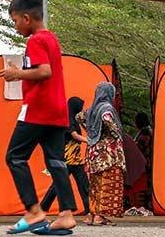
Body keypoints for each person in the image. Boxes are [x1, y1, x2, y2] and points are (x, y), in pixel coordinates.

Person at [0, 0, 77, 236]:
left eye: (15, 21)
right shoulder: (51, 38)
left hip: (37, 109)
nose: (16, 26)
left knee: (15, 157)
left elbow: (44, 71)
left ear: (27, 18)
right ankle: (66, 214)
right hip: (56, 110)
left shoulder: (36, 40)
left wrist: (16, 73)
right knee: (56, 161)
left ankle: (34, 211)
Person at [78, 82, 126, 226]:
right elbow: (107, 119)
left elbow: (79, 117)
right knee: (108, 182)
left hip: (94, 152)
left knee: (95, 184)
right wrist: (115, 133)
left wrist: (91, 132)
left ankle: (91, 214)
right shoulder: (106, 108)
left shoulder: (92, 109)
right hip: (108, 153)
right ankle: (100, 216)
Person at [40, 96, 89, 217]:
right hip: (67, 158)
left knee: (84, 185)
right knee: (57, 184)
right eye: (80, 106)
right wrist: (89, 140)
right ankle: (42, 209)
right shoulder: (67, 120)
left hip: (76, 159)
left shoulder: (74, 119)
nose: (81, 109)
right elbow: (74, 135)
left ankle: (89, 210)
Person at [134, 111, 154, 209]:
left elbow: (140, 148)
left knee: (146, 185)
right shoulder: (149, 131)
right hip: (149, 161)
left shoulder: (144, 134)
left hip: (145, 162)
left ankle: (147, 205)